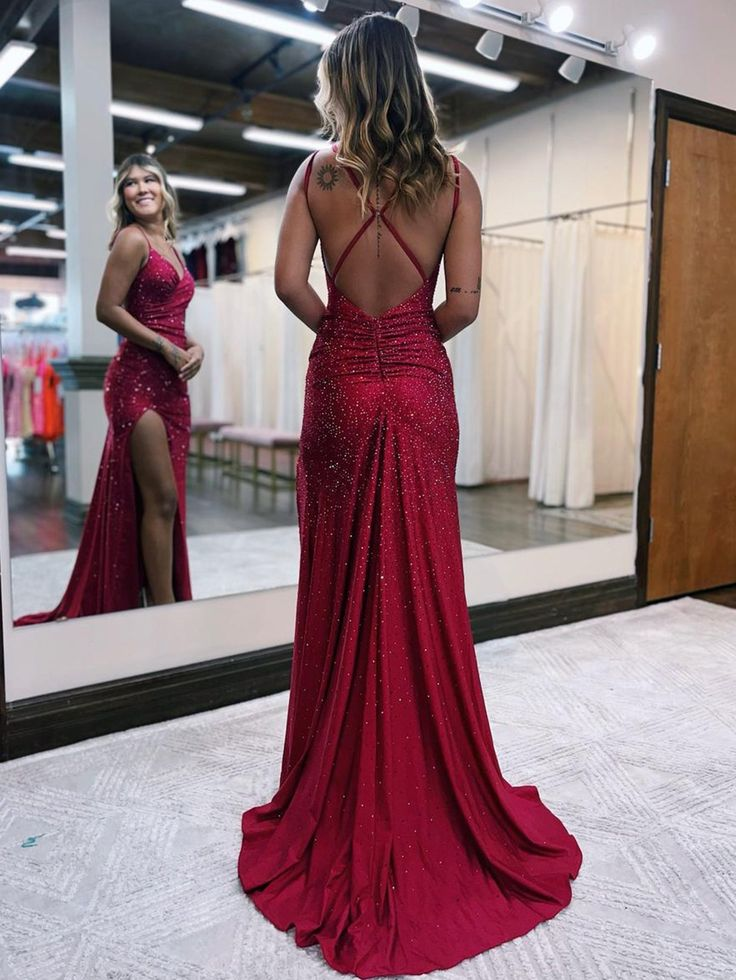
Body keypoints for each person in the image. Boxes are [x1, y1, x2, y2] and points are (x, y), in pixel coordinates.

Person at [238, 13, 582, 977]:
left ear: (344, 84)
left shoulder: (317, 176)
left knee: (340, 582)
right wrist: (410, 337)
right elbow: (462, 303)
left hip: (343, 385)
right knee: (421, 580)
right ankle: (432, 777)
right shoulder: (456, 180)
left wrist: (348, 332)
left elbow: (286, 283)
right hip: (422, 387)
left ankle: (338, 773)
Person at [14, 154, 203, 625]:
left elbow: (171, 318)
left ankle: (157, 598)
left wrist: (194, 347)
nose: (141, 188)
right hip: (136, 381)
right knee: (161, 497)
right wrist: (165, 346)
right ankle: (164, 611)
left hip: (172, 383)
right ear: (123, 197)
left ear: (164, 189)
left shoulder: (171, 245)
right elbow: (107, 308)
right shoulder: (131, 239)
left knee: (166, 500)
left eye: (149, 179)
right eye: (129, 183)